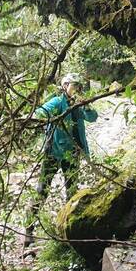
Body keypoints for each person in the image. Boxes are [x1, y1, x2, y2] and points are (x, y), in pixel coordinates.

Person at [23, 73, 98, 248]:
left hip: (72, 154)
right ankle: (28, 230)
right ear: (65, 87)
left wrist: (85, 105)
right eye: (74, 86)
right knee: (42, 190)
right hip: (54, 153)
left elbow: (93, 117)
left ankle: (69, 229)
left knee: (72, 191)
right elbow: (40, 112)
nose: (77, 89)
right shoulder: (57, 102)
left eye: (79, 86)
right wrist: (36, 117)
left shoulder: (78, 105)